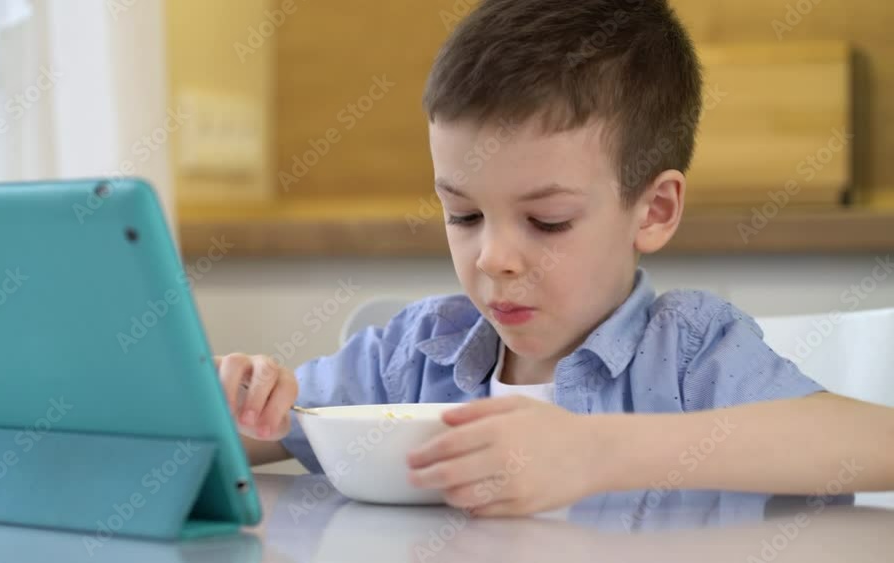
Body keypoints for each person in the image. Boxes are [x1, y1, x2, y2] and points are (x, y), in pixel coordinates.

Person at [218, 0, 894, 518]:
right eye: (464, 214)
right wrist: (238, 404)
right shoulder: (417, 356)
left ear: (653, 210)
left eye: (548, 220)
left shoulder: (687, 355)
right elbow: (237, 445)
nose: (495, 257)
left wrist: (598, 452)